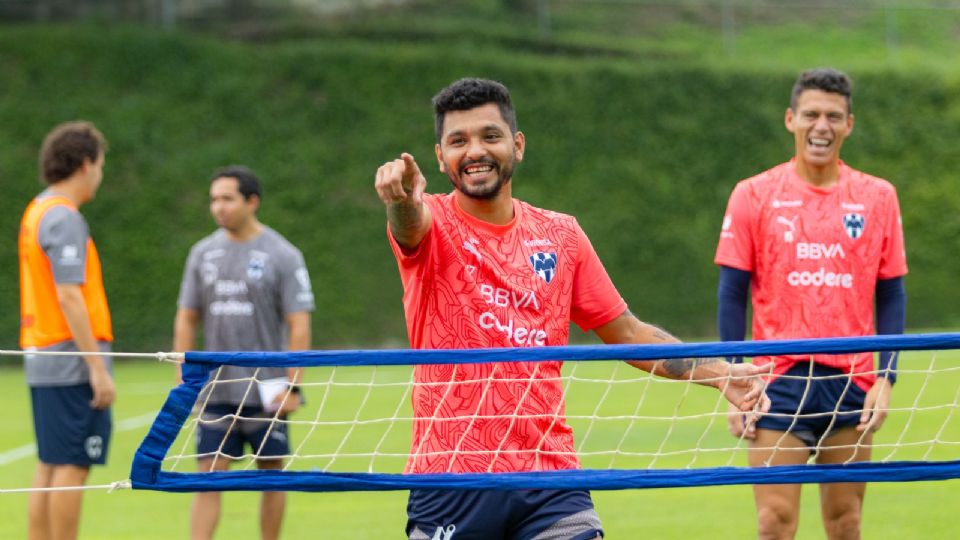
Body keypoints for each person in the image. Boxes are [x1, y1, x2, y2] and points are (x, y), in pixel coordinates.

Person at [375, 77, 771, 540]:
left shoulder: (561, 235)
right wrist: (401, 202)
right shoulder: (433, 222)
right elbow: (409, 225)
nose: (475, 151)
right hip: (452, 478)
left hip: (551, 479)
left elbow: (626, 334)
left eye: (490, 136)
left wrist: (721, 373)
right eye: (458, 141)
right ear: (440, 156)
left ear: (517, 145)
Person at [715, 68, 908, 540]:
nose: (822, 125)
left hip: (852, 381)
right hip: (775, 382)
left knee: (846, 524)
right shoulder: (753, 194)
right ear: (790, 119)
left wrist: (886, 377)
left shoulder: (878, 196)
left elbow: (892, 292)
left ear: (849, 125)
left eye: (833, 116)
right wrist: (732, 379)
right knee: (774, 523)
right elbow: (731, 293)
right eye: (812, 115)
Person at [173, 165, 315, 540]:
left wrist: (293, 385)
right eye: (214, 200)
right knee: (207, 479)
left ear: (252, 202)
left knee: (272, 477)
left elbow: (298, 323)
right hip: (216, 390)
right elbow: (187, 317)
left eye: (227, 199)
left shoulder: (282, 254)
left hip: (267, 390)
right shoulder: (202, 253)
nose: (218, 207)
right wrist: (182, 374)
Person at [19, 121, 115, 540]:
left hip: (43, 354)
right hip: (68, 357)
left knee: (50, 462)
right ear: (84, 163)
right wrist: (96, 366)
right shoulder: (64, 217)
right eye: (100, 164)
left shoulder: (37, 209)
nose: (100, 173)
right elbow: (69, 296)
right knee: (73, 465)